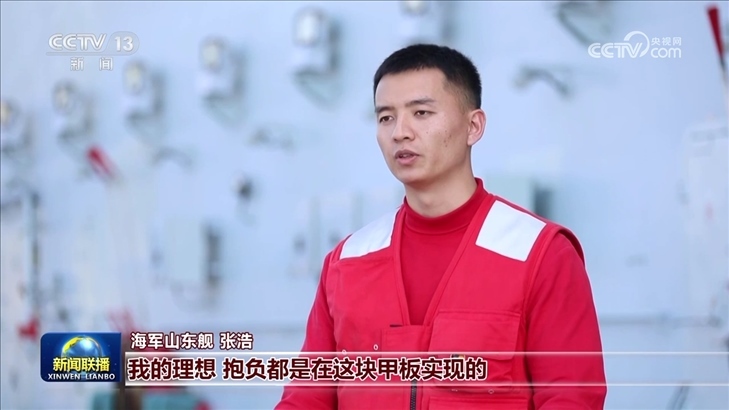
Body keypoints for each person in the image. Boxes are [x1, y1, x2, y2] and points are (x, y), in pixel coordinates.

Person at [275, 44, 606, 410]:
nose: (400, 132)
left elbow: (571, 397)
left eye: (421, 113)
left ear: (473, 126)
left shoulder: (539, 254)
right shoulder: (346, 263)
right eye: (386, 118)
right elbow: (306, 398)